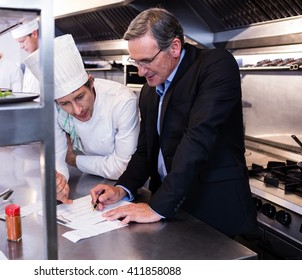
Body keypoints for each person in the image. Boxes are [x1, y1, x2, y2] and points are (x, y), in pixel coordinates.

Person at [90, 8, 257, 238]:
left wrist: (157, 207)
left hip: (214, 211)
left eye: (146, 61)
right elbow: (146, 149)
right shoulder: (150, 88)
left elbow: (197, 139)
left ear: (175, 48)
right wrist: (122, 188)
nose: (140, 72)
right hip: (169, 210)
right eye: (136, 62)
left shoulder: (215, 65)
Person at [25, 34, 140, 204]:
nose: (77, 110)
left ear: (91, 83)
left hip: (125, 188)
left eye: (80, 97)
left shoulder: (121, 101)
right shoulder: (54, 109)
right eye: (65, 103)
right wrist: (59, 182)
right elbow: (57, 156)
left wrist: (73, 159)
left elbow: (124, 167)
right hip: (90, 182)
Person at [11, 19, 40, 94]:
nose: (21, 46)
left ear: (34, 34)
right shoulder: (31, 59)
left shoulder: (49, 57)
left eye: (22, 41)